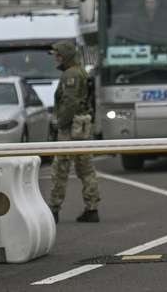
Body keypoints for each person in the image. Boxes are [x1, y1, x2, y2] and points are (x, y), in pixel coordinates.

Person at [48, 41, 100, 223]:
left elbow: (70, 102)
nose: (56, 58)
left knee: (60, 169)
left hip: (71, 127)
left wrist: (60, 123)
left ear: (67, 56)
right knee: (86, 169)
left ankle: (53, 209)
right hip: (83, 125)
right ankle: (92, 208)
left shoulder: (70, 75)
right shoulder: (81, 71)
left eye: (59, 55)